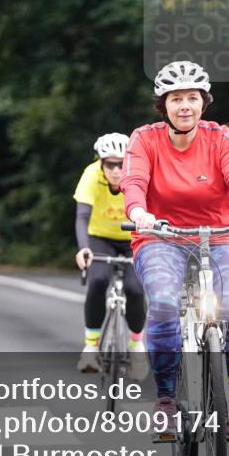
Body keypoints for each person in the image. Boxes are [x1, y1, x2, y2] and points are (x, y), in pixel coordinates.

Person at [120, 60, 229, 439]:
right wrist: (140, 212)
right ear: (164, 105)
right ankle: (164, 400)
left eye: (192, 97)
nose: (185, 106)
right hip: (161, 237)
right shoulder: (144, 139)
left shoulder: (220, 137)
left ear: (203, 102)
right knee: (161, 304)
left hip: (219, 234)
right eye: (176, 98)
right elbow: (133, 181)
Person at [73, 133, 148, 380]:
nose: (116, 170)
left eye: (120, 163)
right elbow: (82, 216)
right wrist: (84, 248)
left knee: (136, 290)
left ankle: (137, 345)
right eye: (110, 164)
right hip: (100, 238)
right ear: (100, 163)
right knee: (97, 280)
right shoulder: (91, 175)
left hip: (133, 239)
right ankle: (91, 346)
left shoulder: (138, 174)